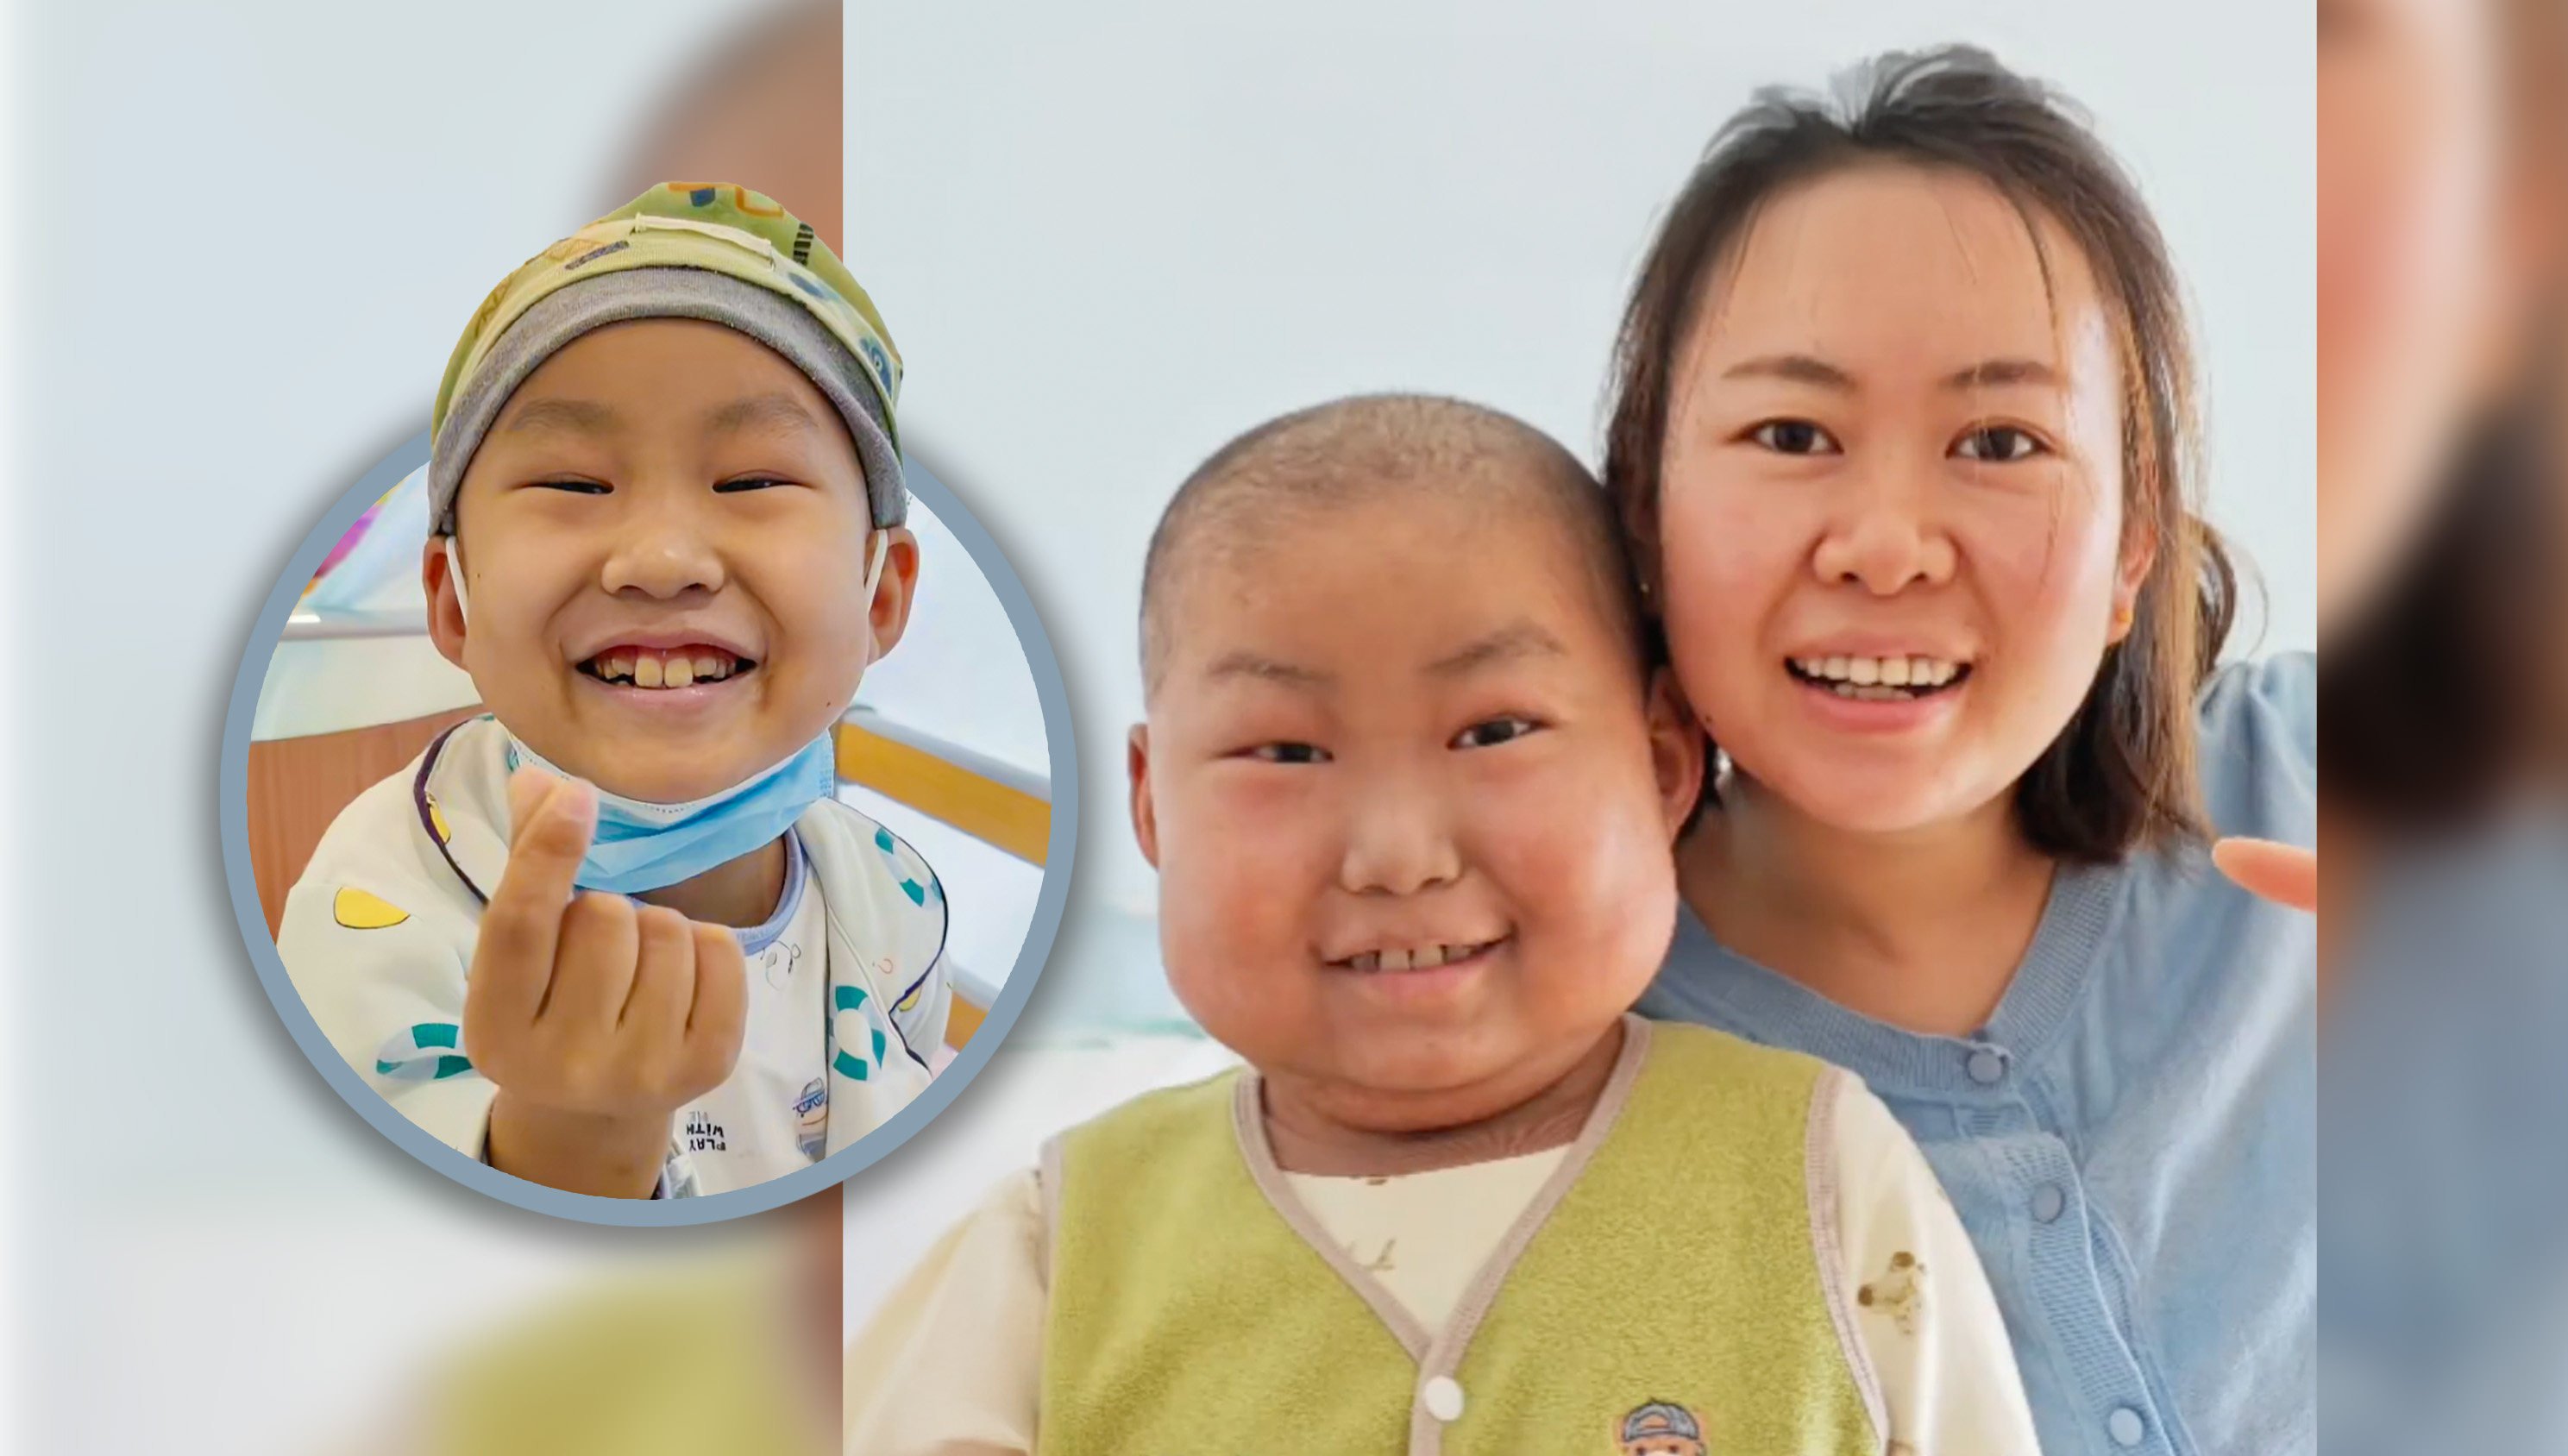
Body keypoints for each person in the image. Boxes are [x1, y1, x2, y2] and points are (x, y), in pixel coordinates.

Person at [845, 394, 2039, 1455]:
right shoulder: (1057, 1247)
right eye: (1285, 751)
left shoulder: (1824, 1177)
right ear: (1154, 805)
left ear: (1666, 761)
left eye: (1495, 733)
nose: (1399, 854)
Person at [1604, 48, 2315, 1454]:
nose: (1886, 546)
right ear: (1646, 514)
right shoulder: (1558, 1069)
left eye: (1999, 441)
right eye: (1791, 432)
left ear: (2132, 545)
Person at [281, 183, 951, 1199]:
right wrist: (565, 1146)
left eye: (752, 482)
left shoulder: (894, 897)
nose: (663, 559)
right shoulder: (374, 910)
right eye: (573, 484)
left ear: (882, 595)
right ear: (452, 601)